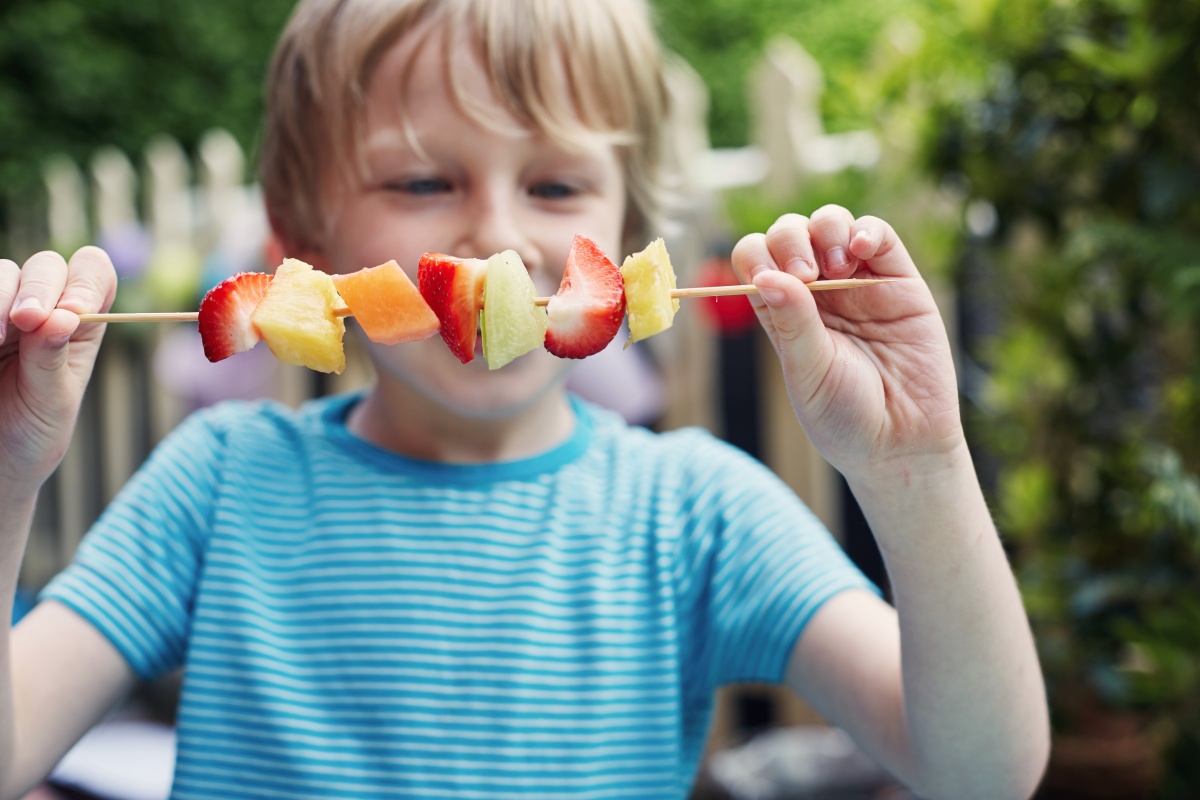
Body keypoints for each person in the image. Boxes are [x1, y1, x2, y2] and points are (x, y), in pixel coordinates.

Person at [0, 0, 1050, 797]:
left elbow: (982, 768)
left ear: (629, 230)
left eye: (554, 185)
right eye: (421, 183)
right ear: (301, 239)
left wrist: (916, 467)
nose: (497, 238)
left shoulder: (696, 512)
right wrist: (6, 469)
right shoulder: (216, 484)